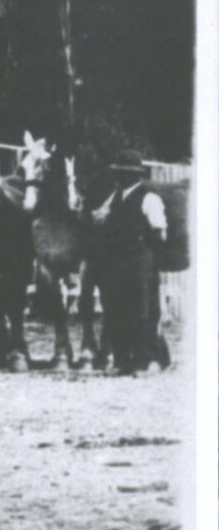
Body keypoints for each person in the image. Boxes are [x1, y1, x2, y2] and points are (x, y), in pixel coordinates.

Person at [93, 151, 170, 375]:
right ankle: (123, 360)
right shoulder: (116, 195)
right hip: (115, 260)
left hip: (139, 260)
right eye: (120, 173)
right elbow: (101, 216)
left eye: (127, 173)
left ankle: (145, 361)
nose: (122, 177)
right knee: (117, 308)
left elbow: (160, 231)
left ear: (137, 174)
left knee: (141, 310)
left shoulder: (149, 197)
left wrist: (147, 253)